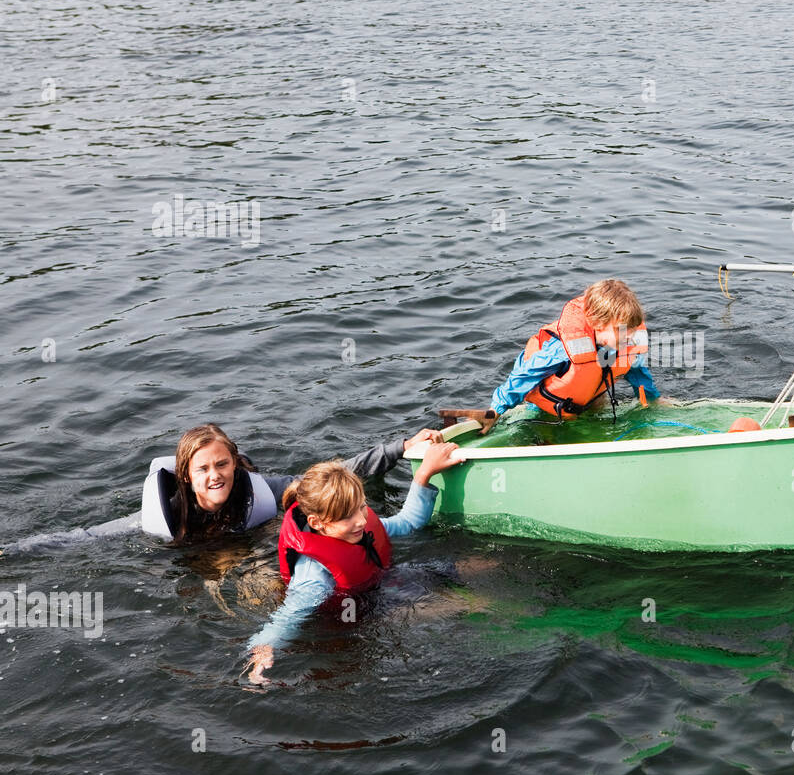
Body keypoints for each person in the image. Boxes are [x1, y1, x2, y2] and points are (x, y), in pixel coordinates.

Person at [2, 423, 442, 553]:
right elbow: (84, 538)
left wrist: (402, 447)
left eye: (223, 464)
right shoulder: (161, 516)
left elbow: (329, 478)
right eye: (203, 469)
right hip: (190, 563)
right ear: (186, 476)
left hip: (252, 544)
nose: (215, 476)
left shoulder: (261, 494)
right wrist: (15, 550)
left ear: (236, 463)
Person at [244, 442, 464, 683]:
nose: (361, 520)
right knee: (464, 607)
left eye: (362, 508)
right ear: (318, 523)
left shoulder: (355, 527)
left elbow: (407, 522)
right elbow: (289, 616)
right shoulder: (314, 575)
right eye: (348, 516)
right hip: (363, 612)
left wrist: (424, 474)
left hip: (385, 581)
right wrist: (263, 649)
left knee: (468, 565)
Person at [488, 279, 665, 421]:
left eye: (633, 329)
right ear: (598, 324)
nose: (629, 336)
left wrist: (653, 400)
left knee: (598, 399)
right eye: (622, 329)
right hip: (549, 406)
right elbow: (525, 375)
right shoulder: (564, 349)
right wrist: (495, 411)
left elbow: (637, 373)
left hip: (588, 396)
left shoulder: (624, 343)